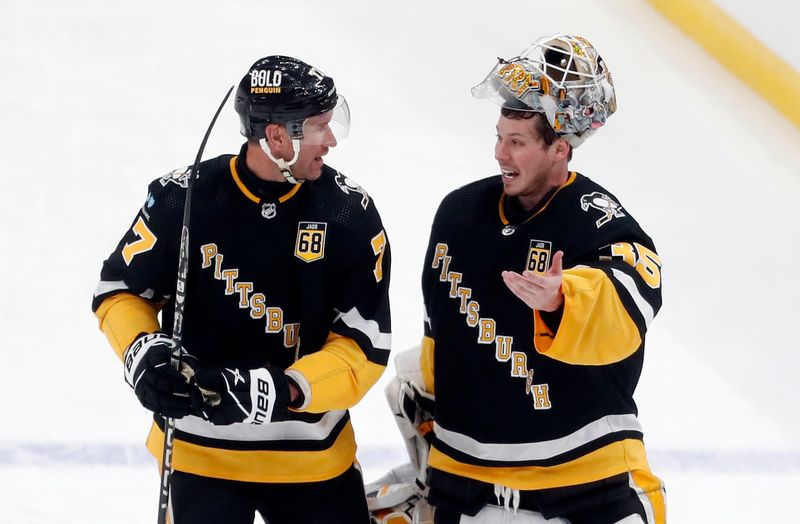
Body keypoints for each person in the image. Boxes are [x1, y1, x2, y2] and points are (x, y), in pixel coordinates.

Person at [92, 55, 391, 524]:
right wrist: (144, 350)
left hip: (312, 459)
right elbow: (120, 290)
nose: (331, 141)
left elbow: (364, 345)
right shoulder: (181, 199)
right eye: (318, 128)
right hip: (196, 453)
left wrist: (286, 389)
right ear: (276, 136)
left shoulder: (348, 214)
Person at [412, 34, 666, 523]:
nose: (500, 155)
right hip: (469, 482)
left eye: (517, 142)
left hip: (588, 484)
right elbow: (438, 333)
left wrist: (563, 301)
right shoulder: (458, 214)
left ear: (560, 149)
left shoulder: (598, 222)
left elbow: (630, 306)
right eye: (499, 137)